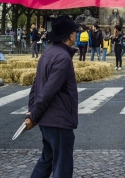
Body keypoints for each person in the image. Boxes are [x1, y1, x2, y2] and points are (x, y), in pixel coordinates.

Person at [25, 15, 79, 178]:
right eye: (75, 32)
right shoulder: (63, 58)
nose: (76, 34)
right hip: (59, 119)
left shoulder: (48, 53)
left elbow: (36, 85)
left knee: (47, 160)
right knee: (62, 166)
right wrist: (33, 115)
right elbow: (48, 90)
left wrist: (32, 111)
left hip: (48, 120)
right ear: (69, 35)